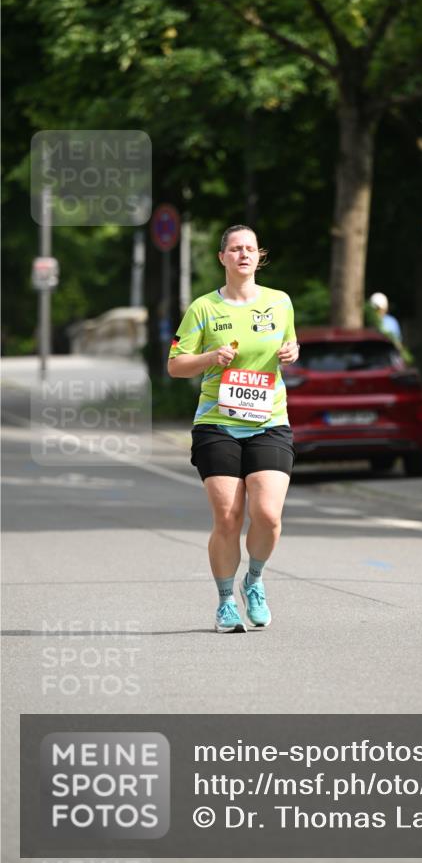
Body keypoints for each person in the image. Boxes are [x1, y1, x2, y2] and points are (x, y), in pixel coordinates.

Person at [167, 225, 300, 634]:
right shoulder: (204, 308)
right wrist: (210, 357)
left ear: (260, 257)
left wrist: (293, 352)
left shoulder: (280, 303)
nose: (244, 255)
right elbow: (175, 365)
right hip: (217, 424)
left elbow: (288, 347)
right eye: (235, 249)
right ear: (222, 257)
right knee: (228, 517)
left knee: (268, 515)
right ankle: (226, 600)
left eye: (250, 249)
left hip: (269, 420)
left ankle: (253, 580)